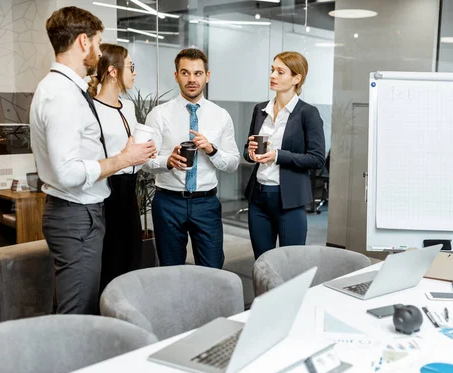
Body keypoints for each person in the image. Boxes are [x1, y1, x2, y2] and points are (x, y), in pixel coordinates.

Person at [29, 7, 156, 314]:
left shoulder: (65, 89)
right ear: (83, 42)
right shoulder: (63, 95)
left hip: (80, 213)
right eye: (98, 44)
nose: (100, 53)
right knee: (79, 312)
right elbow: (67, 172)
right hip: (76, 214)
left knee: (84, 305)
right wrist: (123, 159)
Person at [144, 48, 240, 268]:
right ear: (176, 75)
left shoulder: (221, 115)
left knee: (213, 268)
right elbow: (145, 162)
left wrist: (212, 150)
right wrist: (167, 161)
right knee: (171, 268)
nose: (192, 79)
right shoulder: (158, 115)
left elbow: (233, 163)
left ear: (207, 76)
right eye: (185, 73)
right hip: (168, 202)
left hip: (206, 203)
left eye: (198, 73)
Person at [243, 51, 325, 260]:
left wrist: (278, 155)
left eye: (280, 72)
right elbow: (247, 150)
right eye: (272, 70)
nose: (273, 75)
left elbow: (317, 159)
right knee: (262, 262)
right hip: (258, 197)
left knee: (291, 263)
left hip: (289, 199)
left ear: (296, 79)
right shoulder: (260, 109)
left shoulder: (308, 113)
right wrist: (251, 154)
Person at [87, 43, 142, 293]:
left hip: (130, 189)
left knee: (132, 256)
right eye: (131, 66)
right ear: (112, 71)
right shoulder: (91, 109)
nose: (134, 72)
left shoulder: (128, 106)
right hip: (106, 190)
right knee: (110, 259)